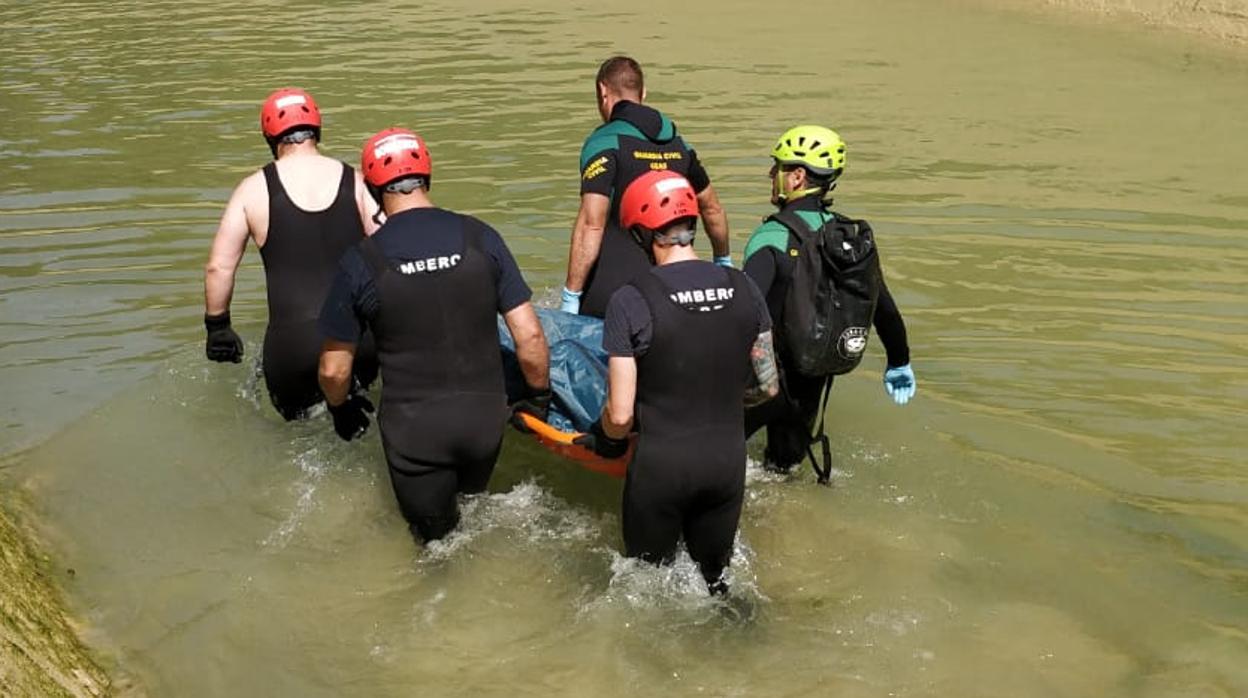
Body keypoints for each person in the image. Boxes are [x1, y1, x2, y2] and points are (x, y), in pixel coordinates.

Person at [317, 127, 550, 543]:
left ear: (372, 188)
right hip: (484, 425)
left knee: (436, 551)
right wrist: (538, 395)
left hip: (415, 435)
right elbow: (529, 337)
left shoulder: (361, 261)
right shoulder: (481, 237)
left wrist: (340, 409)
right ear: (427, 176)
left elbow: (335, 371)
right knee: (475, 525)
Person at [576, 171, 778, 594]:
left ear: (640, 235)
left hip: (661, 470)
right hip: (726, 465)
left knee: (646, 591)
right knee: (717, 585)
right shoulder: (742, 286)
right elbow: (767, 387)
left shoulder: (631, 300)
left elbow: (620, 413)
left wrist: (605, 439)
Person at [742, 125, 916, 481]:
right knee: (782, 477)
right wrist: (899, 361)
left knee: (721, 462)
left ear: (798, 176)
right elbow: (884, 310)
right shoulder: (849, 240)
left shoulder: (771, 235)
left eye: (778, 167)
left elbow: (742, 312)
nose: (771, 175)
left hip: (763, 380)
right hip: (812, 383)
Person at [203, 87, 380, 420]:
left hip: (291, 346)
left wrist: (218, 327)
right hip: (357, 339)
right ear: (317, 130)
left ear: (270, 137)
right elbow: (392, 247)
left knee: (297, 440)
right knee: (358, 422)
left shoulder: (252, 189)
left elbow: (218, 268)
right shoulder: (357, 182)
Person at [561, 56, 733, 319]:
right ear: (643, 93)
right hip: (673, 289)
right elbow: (712, 209)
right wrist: (723, 262)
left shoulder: (603, 143)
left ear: (602, 91)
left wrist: (570, 296)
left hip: (610, 297)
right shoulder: (679, 144)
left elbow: (591, 224)